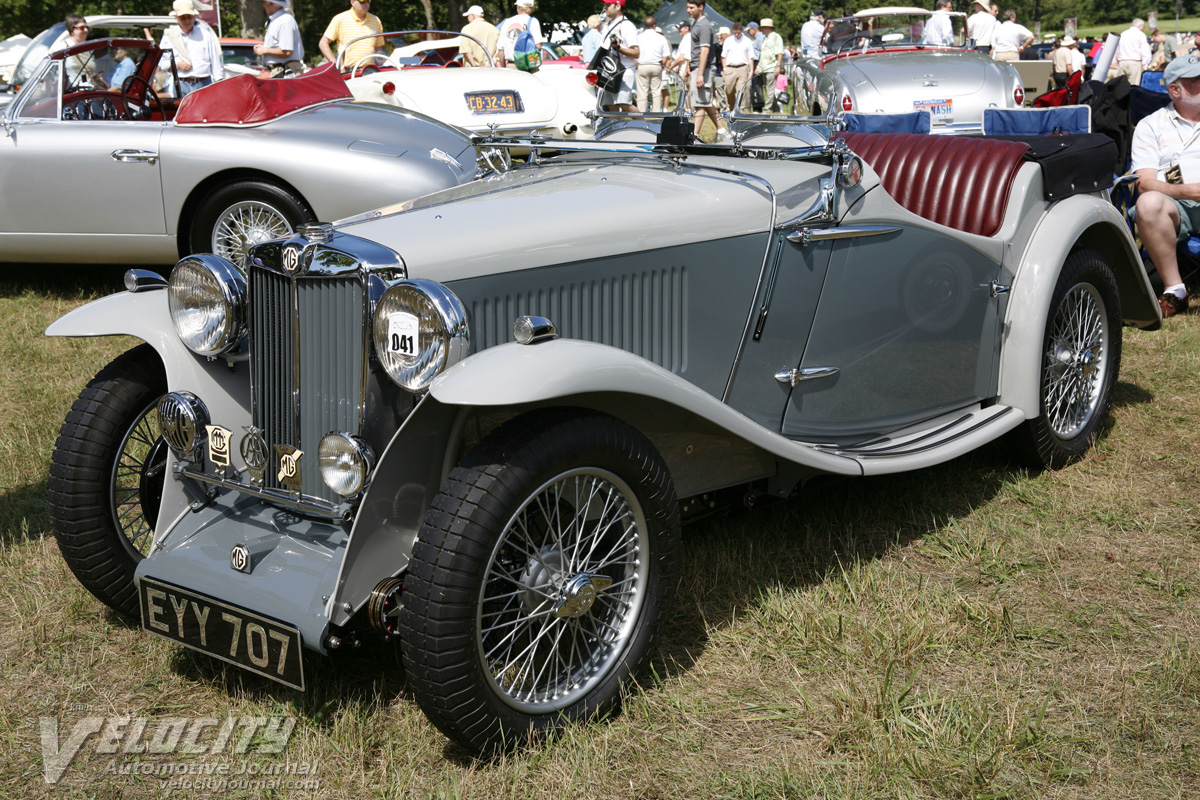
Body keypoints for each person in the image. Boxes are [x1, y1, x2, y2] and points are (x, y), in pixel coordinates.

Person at [1131, 54, 1200, 317]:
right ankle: (1175, 291)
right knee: (1147, 203)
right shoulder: (1151, 125)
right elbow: (1145, 183)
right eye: (1197, 80)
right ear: (1175, 89)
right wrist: (1188, 191)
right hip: (1176, 208)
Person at [686, 0, 730, 141]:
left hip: (703, 69)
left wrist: (699, 74)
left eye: (691, 7)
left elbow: (705, 51)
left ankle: (695, 136)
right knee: (705, 101)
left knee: (700, 103)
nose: (688, 10)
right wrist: (691, 65)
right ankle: (722, 130)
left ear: (701, 7)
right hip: (698, 67)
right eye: (687, 7)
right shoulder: (696, 24)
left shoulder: (704, 26)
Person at [160, 0, 223, 97]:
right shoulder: (169, 36)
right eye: (183, 18)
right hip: (181, 84)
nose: (187, 20)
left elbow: (215, 61)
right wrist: (177, 65)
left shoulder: (205, 34)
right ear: (176, 18)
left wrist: (219, 82)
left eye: (189, 17)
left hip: (204, 83)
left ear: (194, 17)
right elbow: (161, 61)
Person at [596, 0, 638, 111]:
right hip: (609, 70)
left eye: (608, 5)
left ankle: (645, 125)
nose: (605, 7)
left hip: (623, 71)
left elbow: (636, 52)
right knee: (610, 105)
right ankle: (616, 128)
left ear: (618, 6)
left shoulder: (627, 26)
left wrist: (618, 48)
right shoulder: (607, 26)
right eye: (605, 4)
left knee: (624, 104)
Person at [318, 0, 383, 70]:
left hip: (371, 70)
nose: (366, 4)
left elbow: (378, 48)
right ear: (352, 2)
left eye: (368, 1)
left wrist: (380, 68)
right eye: (362, 2)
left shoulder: (376, 20)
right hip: (348, 71)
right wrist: (336, 64)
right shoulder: (340, 19)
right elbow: (323, 43)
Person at [256, 0, 304, 77]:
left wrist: (264, 50)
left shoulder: (285, 21)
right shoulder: (276, 20)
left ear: (271, 3)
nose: (262, 4)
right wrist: (263, 49)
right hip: (281, 71)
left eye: (264, 2)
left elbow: (287, 51)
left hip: (287, 72)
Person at [636, 17, 671, 112]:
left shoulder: (639, 37)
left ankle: (641, 113)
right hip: (656, 65)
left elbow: (635, 53)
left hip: (642, 64)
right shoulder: (661, 38)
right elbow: (665, 56)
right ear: (654, 26)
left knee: (642, 92)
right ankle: (656, 112)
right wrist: (662, 66)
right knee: (656, 91)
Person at [497, 0, 542, 69]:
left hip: (512, 65)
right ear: (532, 8)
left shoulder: (507, 22)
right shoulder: (533, 22)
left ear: (518, 7)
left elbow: (501, 50)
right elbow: (538, 46)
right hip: (529, 64)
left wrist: (503, 67)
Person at [722, 22, 754, 111]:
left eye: (738, 33)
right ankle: (732, 108)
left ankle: (740, 111)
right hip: (729, 68)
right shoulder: (728, 41)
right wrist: (724, 68)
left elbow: (750, 57)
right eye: (735, 33)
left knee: (741, 91)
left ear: (741, 31)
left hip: (742, 68)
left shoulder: (747, 41)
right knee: (729, 91)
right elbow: (723, 56)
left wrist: (751, 70)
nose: (737, 35)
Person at [756, 19, 785, 112]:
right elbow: (762, 54)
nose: (762, 30)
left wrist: (778, 66)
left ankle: (767, 109)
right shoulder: (765, 39)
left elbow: (780, 52)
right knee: (768, 89)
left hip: (772, 67)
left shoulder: (776, 37)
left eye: (763, 28)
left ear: (768, 28)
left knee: (770, 89)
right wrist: (758, 66)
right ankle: (775, 108)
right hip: (764, 68)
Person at [1111, 18, 1152, 86]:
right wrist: (1145, 63)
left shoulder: (1123, 34)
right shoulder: (1140, 34)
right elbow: (1145, 50)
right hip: (1135, 62)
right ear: (1141, 25)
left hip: (1122, 61)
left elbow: (1118, 49)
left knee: (1121, 85)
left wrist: (1119, 60)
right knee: (1134, 85)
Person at [669, 21, 692, 111]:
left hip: (685, 69)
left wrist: (671, 67)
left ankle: (689, 110)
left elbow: (683, 57)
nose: (679, 31)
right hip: (683, 68)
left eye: (681, 28)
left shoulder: (687, 38)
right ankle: (688, 109)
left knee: (685, 91)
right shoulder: (686, 38)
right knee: (685, 91)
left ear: (687, 28)